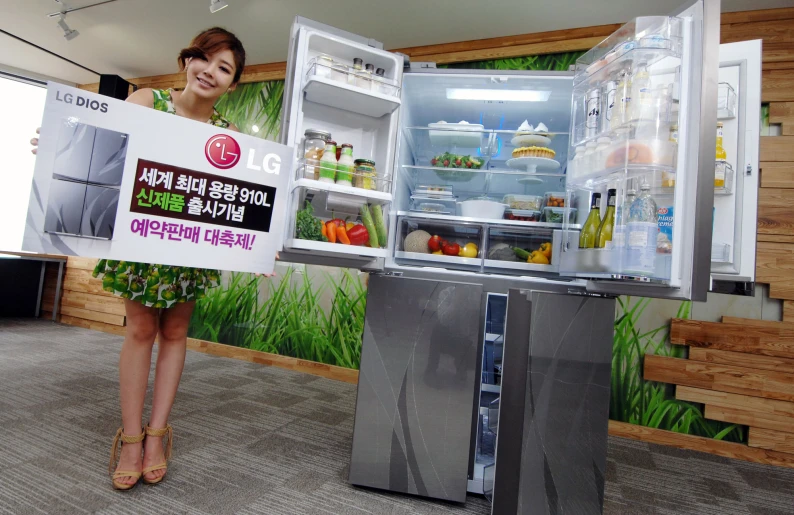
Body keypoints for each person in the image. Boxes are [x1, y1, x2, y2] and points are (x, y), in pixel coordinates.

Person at [31, 27, 249, 490]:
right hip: (140, 242)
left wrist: (257, 245)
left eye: (224, 68)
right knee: (142, 330)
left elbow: (238, 203)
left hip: (190, 248)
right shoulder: (149, 101)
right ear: (187, 60)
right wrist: (56, 149)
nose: (210, 71)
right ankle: (131, 438)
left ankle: (157, 436)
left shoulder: (229, 136)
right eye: (204, 59)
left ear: (233, 84)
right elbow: (95, 147)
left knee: (174, 331)